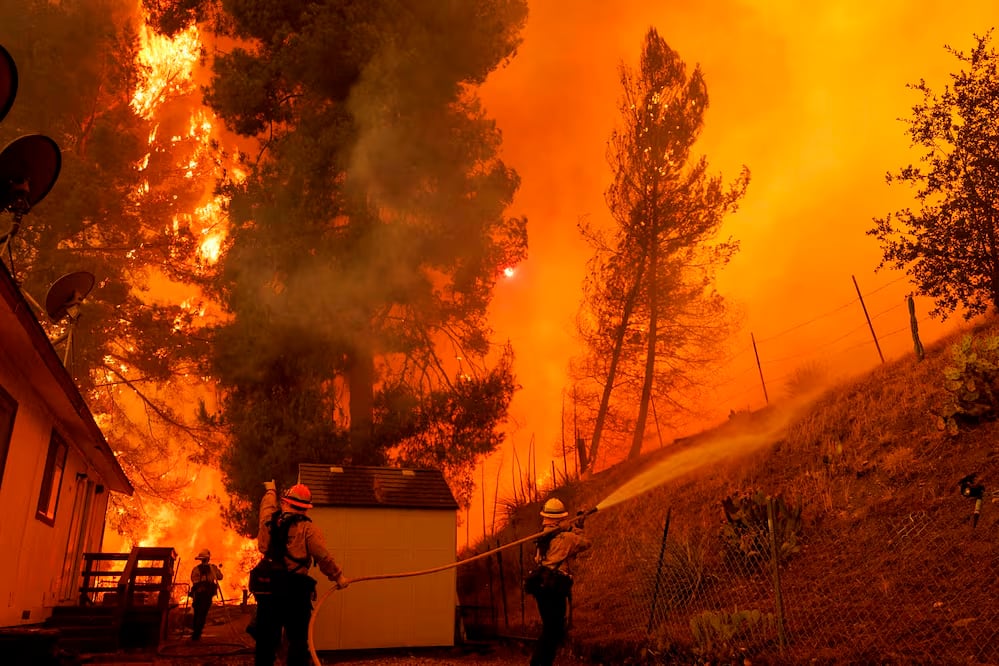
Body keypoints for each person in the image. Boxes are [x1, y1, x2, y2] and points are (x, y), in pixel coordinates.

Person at [253, 480, 349, 666]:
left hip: (268, 589)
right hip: (295, 591)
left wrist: (271, 490)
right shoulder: (308, 529)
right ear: (306, 508)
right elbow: (323, 558)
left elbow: (267, 506)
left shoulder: (268, 521)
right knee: (297, 640)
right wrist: (339, 577)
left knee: (265, 640)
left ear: (286, 502)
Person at [528, 497, 591, 666]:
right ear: (562, 519)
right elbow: (585, 543)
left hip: (543, 587)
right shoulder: (566, 538)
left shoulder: (544, 537)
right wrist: (576, 527)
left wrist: (572, 527)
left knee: (551, 629)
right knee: (553, 631)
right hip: (554, 589)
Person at [189, 548, 223, 641]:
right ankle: (197, 634)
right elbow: (220, 577)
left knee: (197, 613)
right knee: (202, 614)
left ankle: (195, 634)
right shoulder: (213, 568)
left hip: (198, 594)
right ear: (208, 559)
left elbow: (193, 580)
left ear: (200, 559)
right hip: (207, 595)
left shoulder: (196, 569)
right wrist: (218, 570)